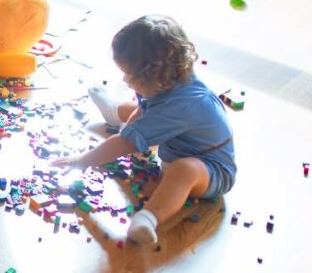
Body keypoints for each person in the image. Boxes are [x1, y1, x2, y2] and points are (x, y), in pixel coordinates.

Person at [53, 15, 236, 245]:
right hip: (181, 140)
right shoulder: (170, 80)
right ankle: (113, 110)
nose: (124, 79)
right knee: (143, 111)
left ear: (154, 76)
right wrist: (131, 126)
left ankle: (148, 218)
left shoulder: (183, 105)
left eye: (129, 75)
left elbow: (123, 144)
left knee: (183, 169)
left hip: (212, 170)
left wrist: (83, 159)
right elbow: (144, 108)